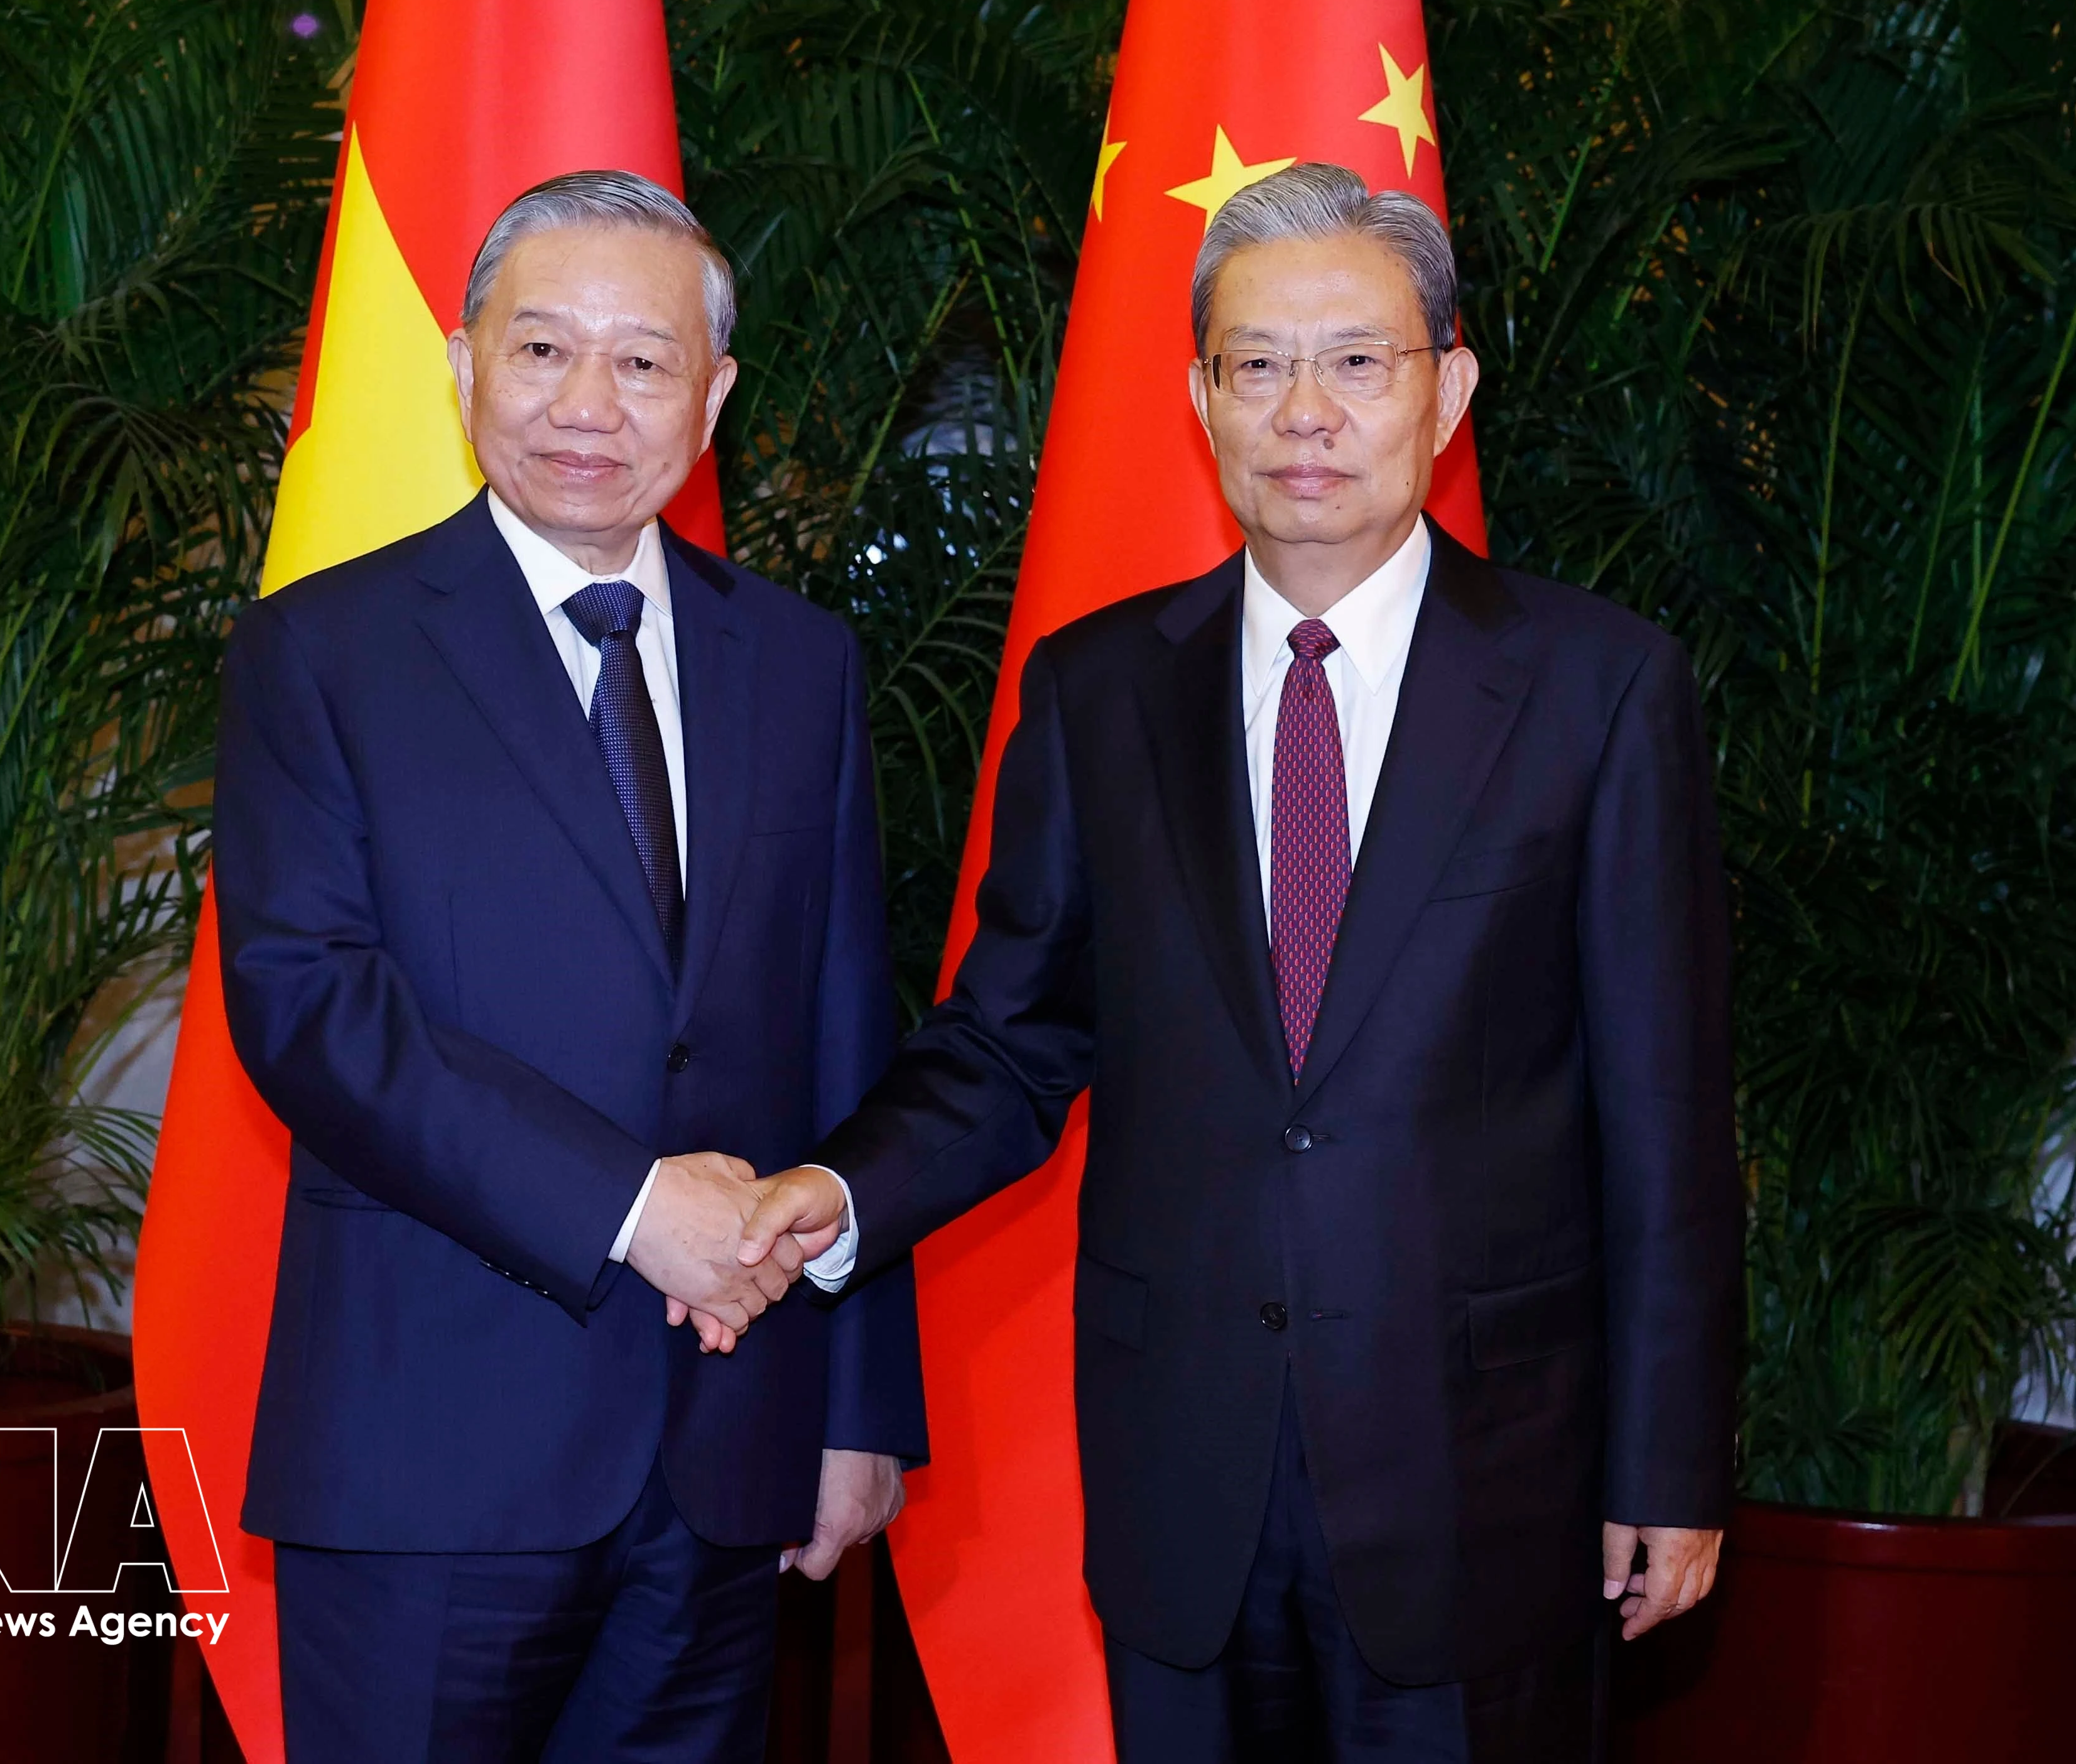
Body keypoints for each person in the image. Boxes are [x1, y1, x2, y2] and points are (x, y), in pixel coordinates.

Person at [743, 163, 1741, 1762]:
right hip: (1181, 1471)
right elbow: (1009, 1043)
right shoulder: (1097, 692)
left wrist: (1672, 1463)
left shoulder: (1599, 691)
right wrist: (839, 1193)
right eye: (1256, 364)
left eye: (1358, 361)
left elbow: (1667, 1115)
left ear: (1448, 388)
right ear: (1200, 397)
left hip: (1483, 1477)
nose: (1306, 411)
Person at [214, 169, 922, 1763]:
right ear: (463, 366)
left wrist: (859, 1401)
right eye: (541, 351)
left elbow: (845, 1032)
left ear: (713, 394)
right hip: (428, 1462)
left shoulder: (801, 664)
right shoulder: (321, 653)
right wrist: (632, 1205)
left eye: (644, 360)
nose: (587, 403)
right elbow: (316, 1015)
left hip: (730, 1445)